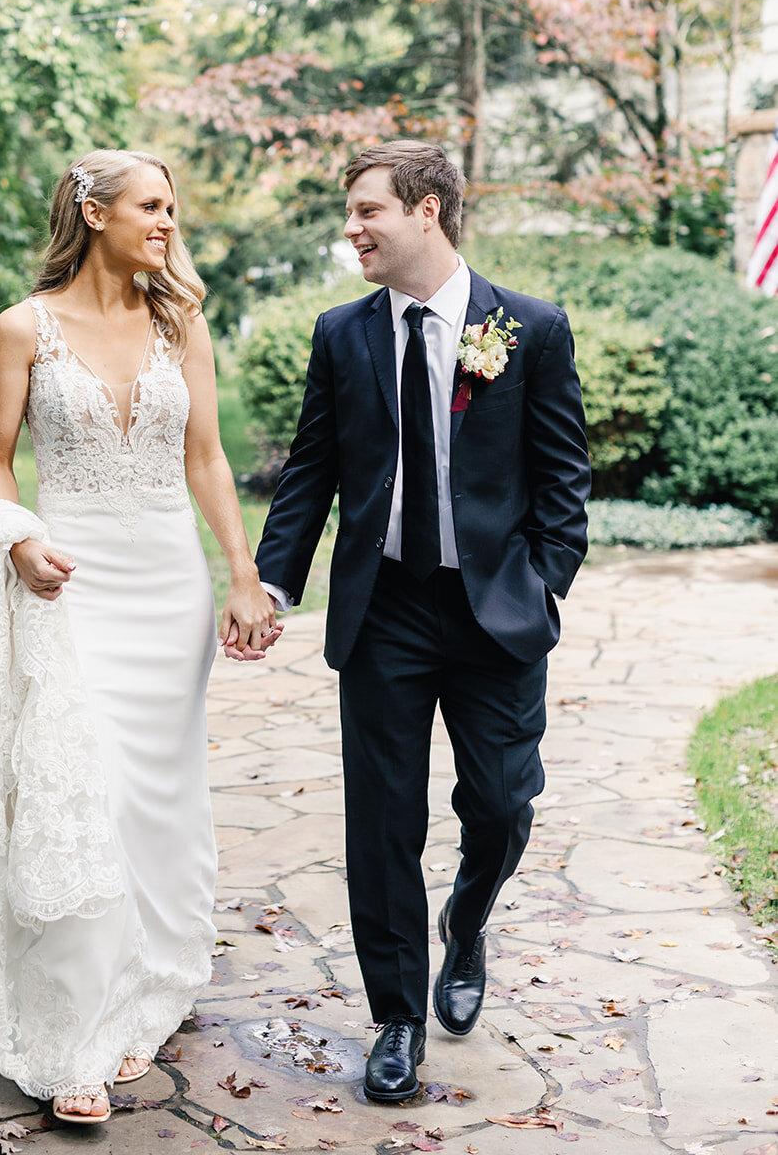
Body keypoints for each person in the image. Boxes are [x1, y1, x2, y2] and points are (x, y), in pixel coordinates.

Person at [235, 140, 590, 1104]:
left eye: (366, 211)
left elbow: (563, 478)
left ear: (425, 210)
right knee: (382, 823)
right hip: (384, 606)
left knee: (504, 805)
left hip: (494, 614)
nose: (351, 229)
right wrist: (272, 586)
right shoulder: (341, 334)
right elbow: (310, 471)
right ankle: (395, 1017)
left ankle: (466, 923)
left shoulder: (529, 328)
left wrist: (544, 583)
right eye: (351, 213)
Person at [0, 149, 278, 1124]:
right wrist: (19, 540)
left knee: (157, 793)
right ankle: (73, 1035)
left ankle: (148, 984)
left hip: (166, 582)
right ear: (92, 211)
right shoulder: (22, 328)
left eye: (171, 206)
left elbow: (209, 458)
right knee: (80, 792)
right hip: (74, 577)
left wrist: (243, 571)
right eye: (150, 206)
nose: (167, 222)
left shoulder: (180, 321)